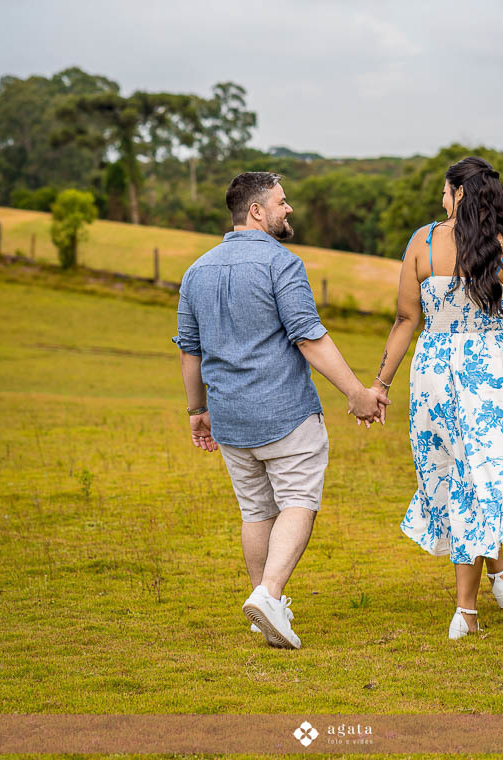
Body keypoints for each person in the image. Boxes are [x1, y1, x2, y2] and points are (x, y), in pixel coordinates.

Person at [172, 171, 388, 650]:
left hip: (229, 419)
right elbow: (309, 335)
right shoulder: (282, 264)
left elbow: (190, 351)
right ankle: (269, 595)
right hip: (285, 414)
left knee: (255, 511)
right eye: (282, 202)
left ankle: (263, 608)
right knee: (297, 502)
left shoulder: (196, 271)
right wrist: (356, 393)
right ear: (256, 210)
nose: (288, 210)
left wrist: (197, 410)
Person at [368, 156, 503, 639]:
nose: (441, 201)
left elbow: (406, 320)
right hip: (490, 372)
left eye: (445, 192)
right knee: (481, 479)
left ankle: (498, 574)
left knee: (464, 476)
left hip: (431, 374)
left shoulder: (422, 242)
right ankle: (465, 612)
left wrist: (381, 385)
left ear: (458, 193)